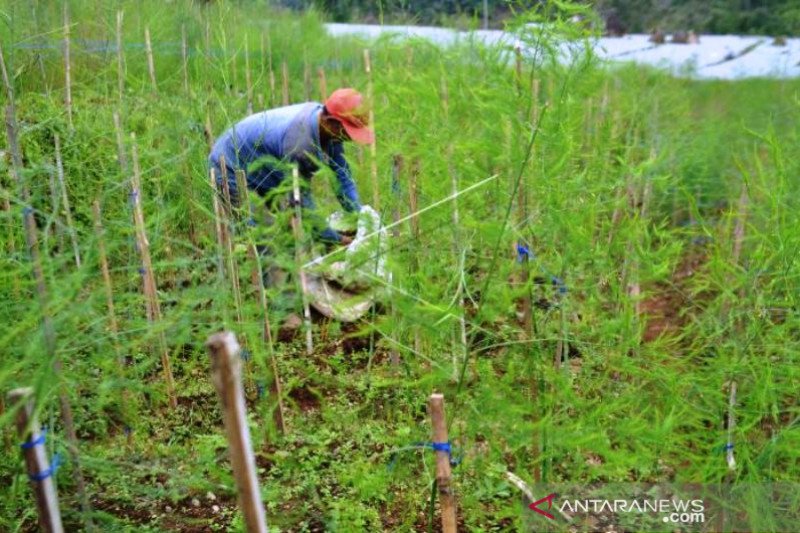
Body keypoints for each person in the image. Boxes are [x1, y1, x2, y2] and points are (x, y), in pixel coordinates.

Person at [208, 87, 374, 246]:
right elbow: (301, 201)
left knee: (282, 234)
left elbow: (341, 176)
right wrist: (335, 238)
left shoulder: (330, 131)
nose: (351, 138)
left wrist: (359, 217)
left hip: (263, 167)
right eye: (349, 131)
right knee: (260, 239)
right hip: (230, 165)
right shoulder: (299, 144)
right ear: (331, 122)